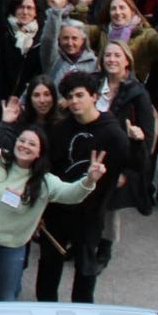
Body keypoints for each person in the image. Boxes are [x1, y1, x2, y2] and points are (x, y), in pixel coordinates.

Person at [0, 132, 102, 301]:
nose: (24, 146)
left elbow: (70, 194)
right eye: (22, 140)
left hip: (10, 247)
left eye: (32, 144)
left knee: (3, 298)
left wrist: (90, 180)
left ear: (40, 152)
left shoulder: (45, 181)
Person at [36, 72, 129, 302]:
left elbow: (132, 166)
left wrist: (134, 150)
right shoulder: (60, 129)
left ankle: (82, 312)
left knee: (85, 268)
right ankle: (46, 309)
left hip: (90, 212)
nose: (75, 101)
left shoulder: (112, 132)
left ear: (94, 96)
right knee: (49, 264)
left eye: (80, 95)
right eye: (70, 96)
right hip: (57, 209)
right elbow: (47, 169)